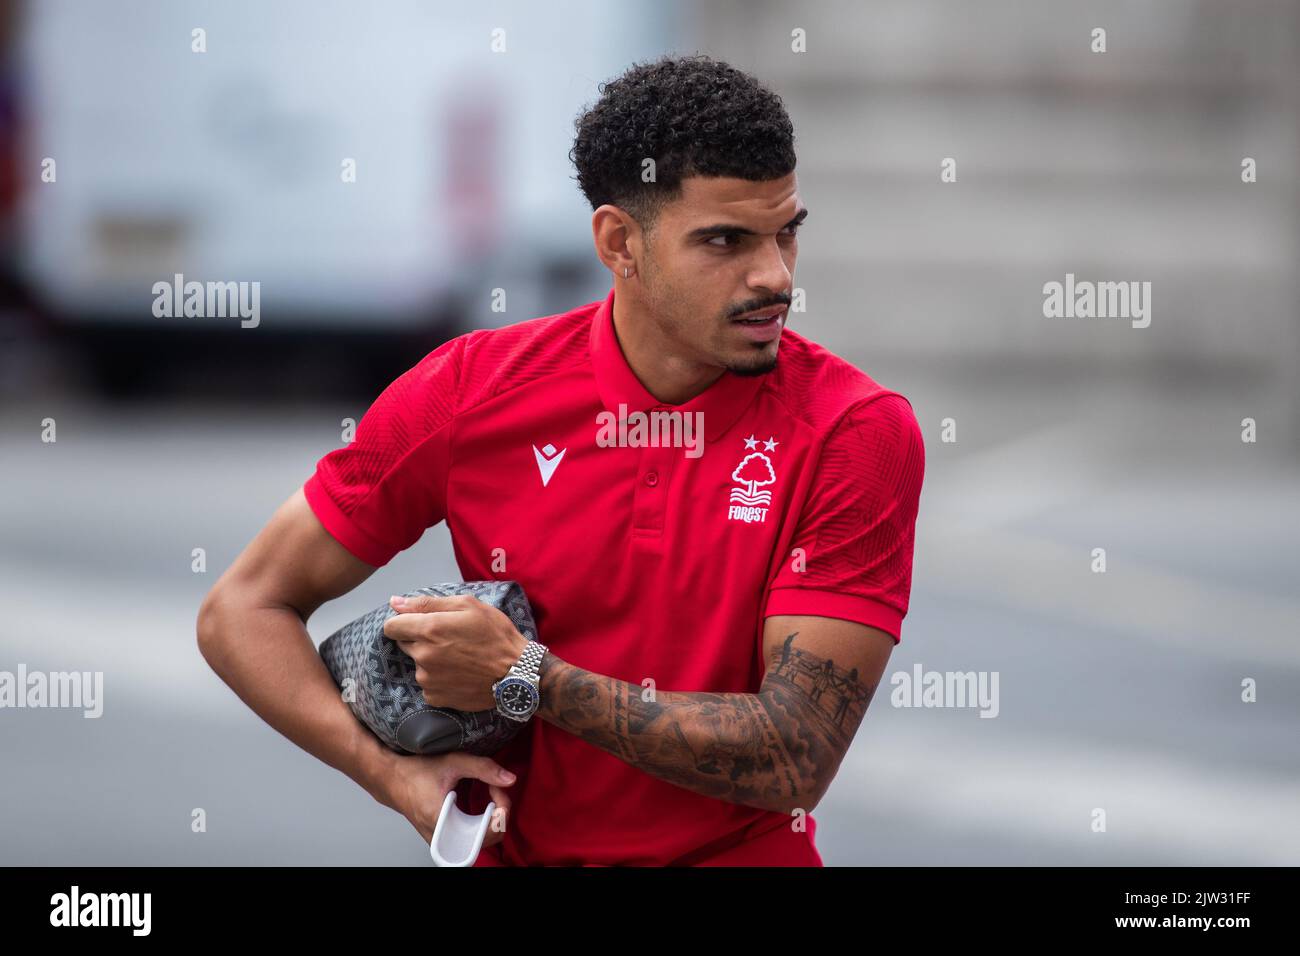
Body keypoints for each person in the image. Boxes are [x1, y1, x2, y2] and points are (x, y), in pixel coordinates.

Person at [197, 54, 925, 867]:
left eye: (786, 231)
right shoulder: (470, 389)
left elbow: (794, 756)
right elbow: (242, 611)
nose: (774, 275)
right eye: (726, 240)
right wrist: (388, 775)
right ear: (620, 242)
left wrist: (526, 677)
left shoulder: (856, 431)